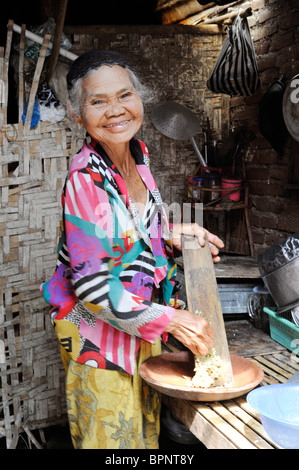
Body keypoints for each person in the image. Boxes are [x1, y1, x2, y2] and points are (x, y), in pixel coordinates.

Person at [40, 50, 224, 449]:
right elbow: (91, 285)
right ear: (78, 114)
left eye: (125, 95)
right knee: (114, 444)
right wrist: (173, 321)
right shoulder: (86, 179)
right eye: (98, 101)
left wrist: (172, 231)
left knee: (145, 438)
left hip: (141, 329)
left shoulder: (138, 158)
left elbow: (127, 228)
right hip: (99, 341)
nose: (115, 110)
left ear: (140, 98)